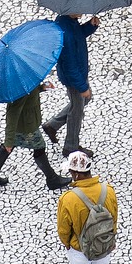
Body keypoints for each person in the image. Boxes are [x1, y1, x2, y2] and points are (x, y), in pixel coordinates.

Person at [0, 82, 72, 190]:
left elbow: (31, 93)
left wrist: (41, 87)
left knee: (14, 144)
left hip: (25, 124)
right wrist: (8, 140)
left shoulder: (25, 82)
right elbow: (13, 114)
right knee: (39, 147)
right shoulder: (21, 87)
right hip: (26, 127)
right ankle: (52, 179)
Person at [43, 14, 99, 157]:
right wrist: (82, 87)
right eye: (79, 9)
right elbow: (70, 65)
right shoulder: (65, 32)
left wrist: (90, 26)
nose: (82, 12)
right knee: (77, 111)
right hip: (74, 78)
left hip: (79, 73)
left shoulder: (69, 22)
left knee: (82, 101)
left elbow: (78, 37)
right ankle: (71, 147)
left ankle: (52, 125)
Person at [57, 151, 117, 264]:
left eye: (71, 172)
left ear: (76, 174)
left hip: (79, 249)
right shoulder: (109, 190)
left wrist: (67, 244)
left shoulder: (68, 199)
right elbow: (114, 217)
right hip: (103, 243)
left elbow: (64, 230)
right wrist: (111, 239)